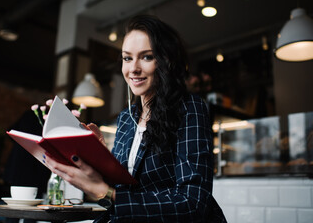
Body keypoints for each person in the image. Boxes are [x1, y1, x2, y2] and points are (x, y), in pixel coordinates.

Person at [45, 15, 227, 222]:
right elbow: (122, 193)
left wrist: (105, 192)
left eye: (147, 57)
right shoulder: (126, 118)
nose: (133, 69)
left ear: (167, 61)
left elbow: (193, 203)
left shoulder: (189, 108)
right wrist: (100, 159)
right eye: (127, 58)